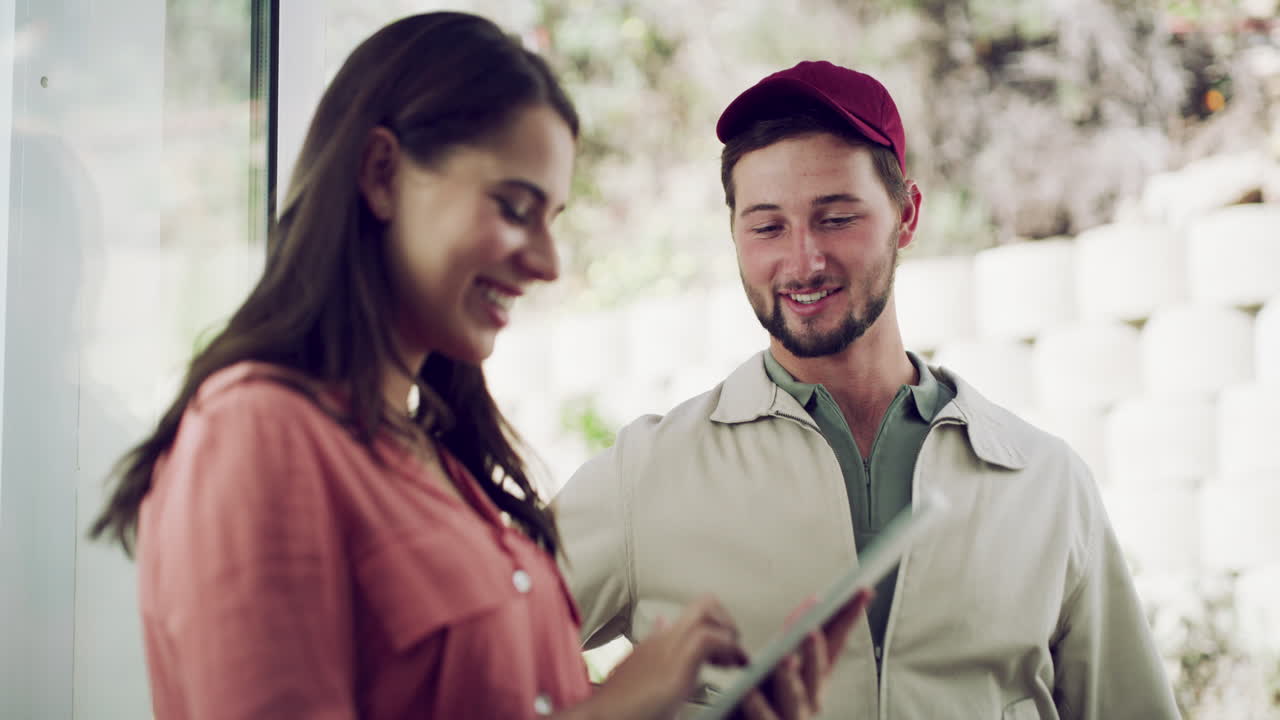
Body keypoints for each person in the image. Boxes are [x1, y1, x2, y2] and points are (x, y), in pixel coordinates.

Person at [88, 16, 868, 720]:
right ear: (381, 173)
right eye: (513, 207)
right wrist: (618, 705)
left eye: (553, 219)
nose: (548, 262)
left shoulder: (438, 457)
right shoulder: (258, 435)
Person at [554, 60, 1182, 719]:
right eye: (767, 227)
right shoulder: (645, 477)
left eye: (837, 218)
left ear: (906, 216)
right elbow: (461, 676)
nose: (802, 262)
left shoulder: (1046, 482)